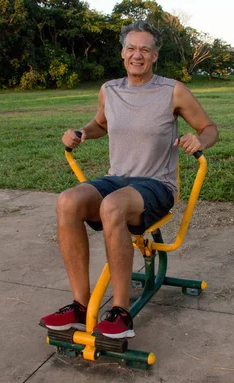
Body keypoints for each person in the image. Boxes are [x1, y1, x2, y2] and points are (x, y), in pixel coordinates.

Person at [39, 20, 218, 340]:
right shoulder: (110, 90)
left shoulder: (172, 90)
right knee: (67, 201)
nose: (138, 55)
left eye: (145, 50)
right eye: (132, 48)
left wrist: (200, 141)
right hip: (117, 177)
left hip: (157, 183)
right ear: (122, 53)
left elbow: (209, 128)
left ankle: (120, 311)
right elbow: (100, 124)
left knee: (111, 207)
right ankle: (80, 305)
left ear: (155, 56)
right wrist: (81, 133)